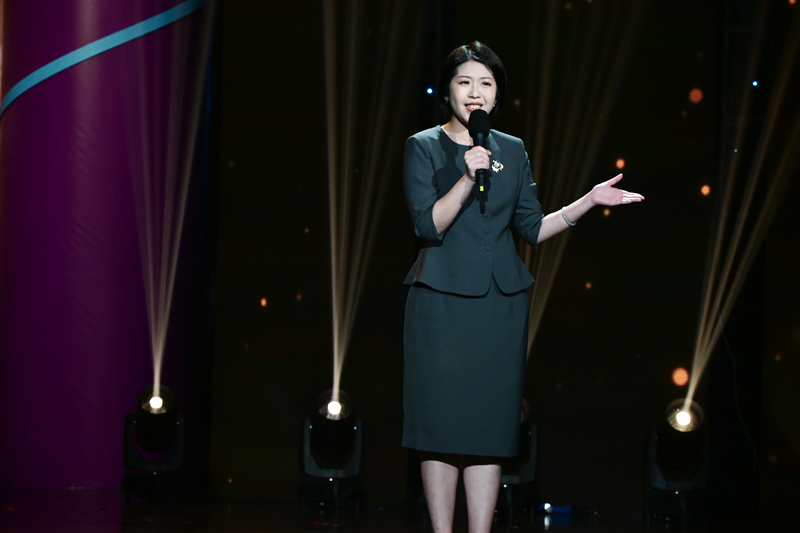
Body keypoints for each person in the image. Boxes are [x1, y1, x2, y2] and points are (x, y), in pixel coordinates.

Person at [402, 41, 644, 533]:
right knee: (440, 429)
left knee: (488, 430)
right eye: (464, 82)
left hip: (500, 304)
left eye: (485, 83)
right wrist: (467, 177)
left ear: (497, 95)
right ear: (447, 91)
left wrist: (587, 201)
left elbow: (531, 227)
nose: (475, 92)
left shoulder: (511, 149)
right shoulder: (423, 145)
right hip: (441, 304)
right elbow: (428, 225)